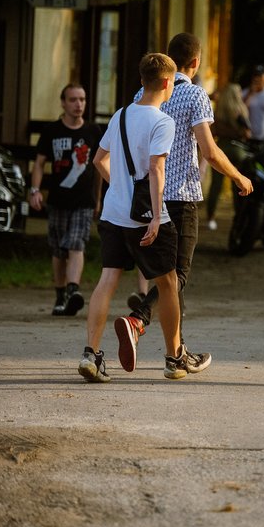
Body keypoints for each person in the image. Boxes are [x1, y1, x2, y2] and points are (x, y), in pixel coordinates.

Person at [121, 33, 253, 371]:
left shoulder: (143, 93)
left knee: (167, 278)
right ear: (195, 63)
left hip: (147, 194)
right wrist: (237, 176)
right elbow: (208, 150)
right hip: (181, 197)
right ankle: (139, 321)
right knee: (176, 276)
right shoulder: (195, 95)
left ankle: (176, 354)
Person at [78, 52, 185, 382]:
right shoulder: (163, 122)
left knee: (107, 280)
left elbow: (98, 161)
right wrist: (154, 216)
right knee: (168, 284)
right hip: (145, 217)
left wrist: (121, 187)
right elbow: (156, 169)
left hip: (113, 213)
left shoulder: (120, 115)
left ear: (142, 81)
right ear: (167, 83)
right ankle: (173, 358)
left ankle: (91, 356)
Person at [30, 84, 103, 316]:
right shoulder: (52, 131)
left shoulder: (93, 131)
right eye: (73, 100)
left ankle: (73, 291)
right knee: (59, 250)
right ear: (63, 102)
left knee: (76, 243)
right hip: (58, 200)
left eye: (82, 99)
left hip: (83, 201)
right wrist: (35, 190)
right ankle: (60, 296)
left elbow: (99, 167)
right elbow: (40, 163)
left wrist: (98, 198)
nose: (78, 104)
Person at [206, 83, 252, 231]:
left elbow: (212, 132)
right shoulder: (241, 110)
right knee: (238, 185)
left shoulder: (218, 112)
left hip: (222, 149)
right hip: (239, 150)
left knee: (215, 186)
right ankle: (239, 216)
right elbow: (247, 133)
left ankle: (211, 218)